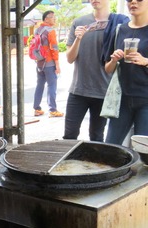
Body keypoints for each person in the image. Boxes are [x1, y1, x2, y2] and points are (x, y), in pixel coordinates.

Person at [63, 0, 129, 142]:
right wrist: (78, 39)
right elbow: (69, 58)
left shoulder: (119, 24)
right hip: (78, 90)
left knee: (97, 137)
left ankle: (93, 165)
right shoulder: (80, 22)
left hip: (103, 92)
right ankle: (67, 164)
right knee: (69, 135)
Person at [104, 0, 148, 145]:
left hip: (145, 100)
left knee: (143, 152)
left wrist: (145, 61)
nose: (133, 2)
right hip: (121, 99)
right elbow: (108, 68)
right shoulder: (119, 30)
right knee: (110, 147)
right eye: (129, 0)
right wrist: (113, 60)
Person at [32, 10, 64, 118]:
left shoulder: (37, 30)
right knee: (52, 86)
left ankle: (37, 109)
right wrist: (57, 64)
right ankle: (53, 110)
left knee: (39, 85)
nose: (54, 19)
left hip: (39, 63)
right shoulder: (51, 31)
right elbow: (54, 48)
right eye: (52, 17)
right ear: (46, 19)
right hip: (49, 62)